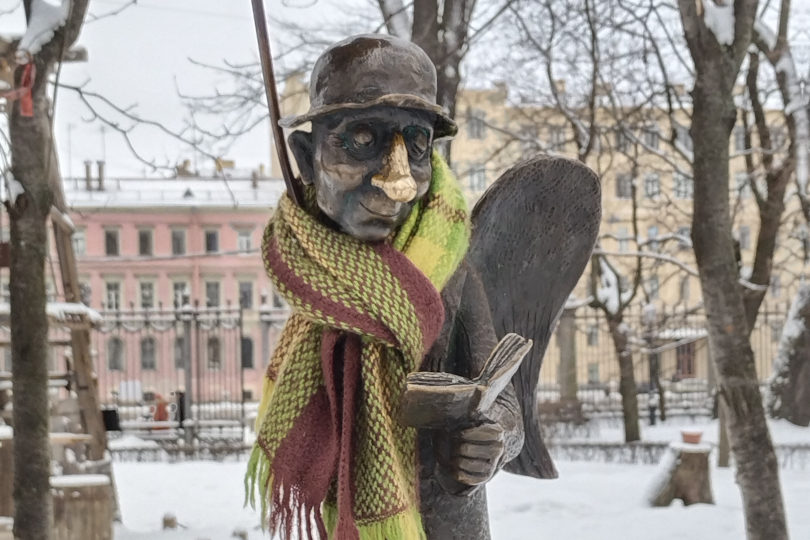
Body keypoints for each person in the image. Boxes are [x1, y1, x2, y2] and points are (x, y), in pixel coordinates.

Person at [247, 33, 600, 540]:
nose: (398, 180)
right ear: (306, 155)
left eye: (413, 146)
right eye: (363, 139)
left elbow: (503, 396)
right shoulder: (311, 272)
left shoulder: (448, 271)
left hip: (444, 521)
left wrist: (493, 438)